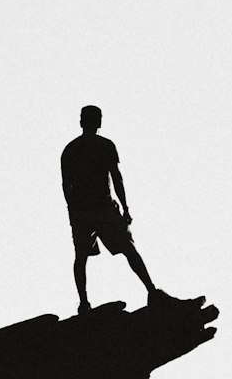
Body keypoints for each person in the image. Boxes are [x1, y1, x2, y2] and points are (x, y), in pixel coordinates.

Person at [60, 104, 171, 314]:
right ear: (98, 122)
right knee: (127, 249)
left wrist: (73, 211)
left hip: (83, 211)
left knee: (82, 256)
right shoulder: (104, 146)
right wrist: (125, 207)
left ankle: (84, 303)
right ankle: (151, 290)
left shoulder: (70, 150)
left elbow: (67, 186)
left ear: (81, 122)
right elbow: (116, 178)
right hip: (102, 209)